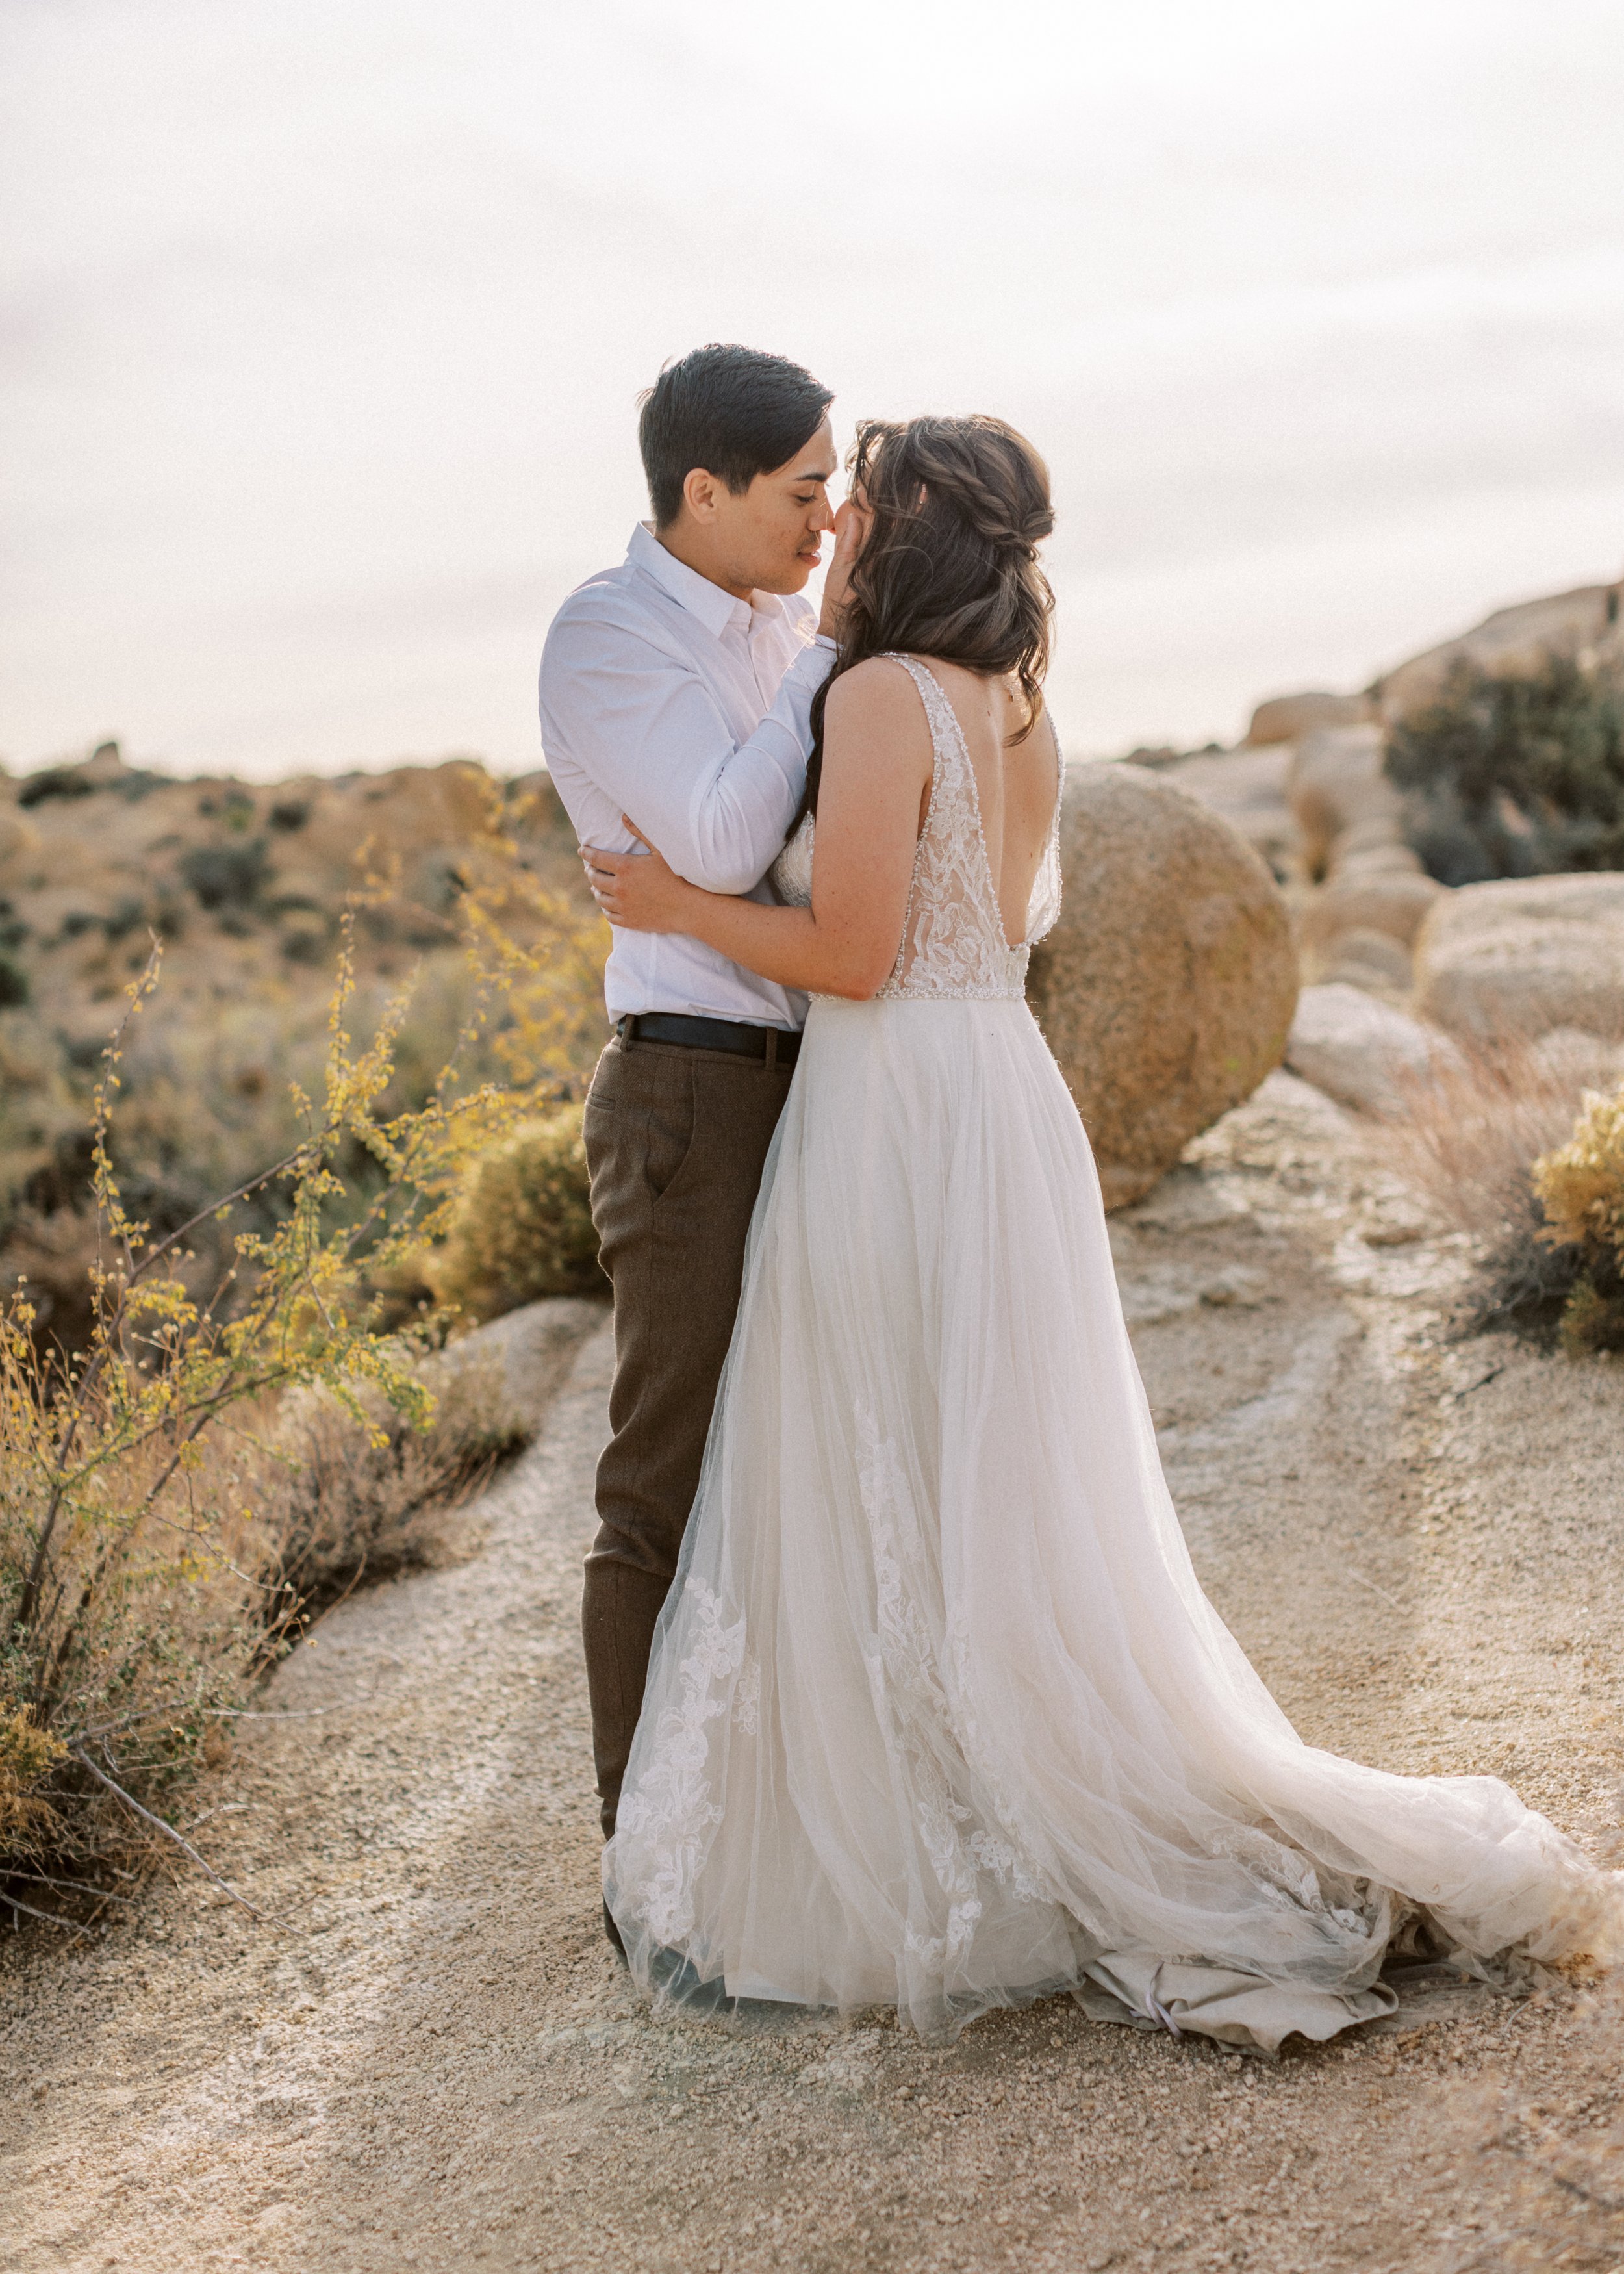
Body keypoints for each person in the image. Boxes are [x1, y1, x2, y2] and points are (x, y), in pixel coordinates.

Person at [579, 411, 1615, 2052]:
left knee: (879, 1445)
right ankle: (998, 1760)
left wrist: (675, 909)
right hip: (997, 1097)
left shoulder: (869, 696)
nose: (836, 516)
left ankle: (925, 1811)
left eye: (863, 498)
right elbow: (977, 929)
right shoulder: (1017, 706)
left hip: (892, 1109)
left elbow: (850, 950)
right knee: (991, 1466)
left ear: (910, 530)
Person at [538, 345, 864, 1948]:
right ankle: (638, 1858)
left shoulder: (781, 625)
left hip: (809, 1071)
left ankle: (770, 1808)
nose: (828, 522)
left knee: (797, 1452)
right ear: (704, 491)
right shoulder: (606, 639)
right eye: (805, 492)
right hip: (688, 1091)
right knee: (661, 1473)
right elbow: (728, 841)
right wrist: (827, 667)